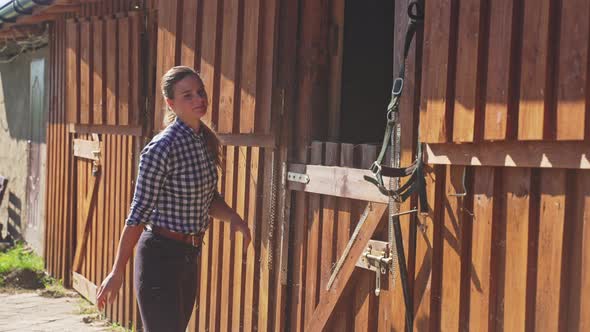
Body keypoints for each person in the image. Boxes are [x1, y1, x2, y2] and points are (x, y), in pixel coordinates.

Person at [95, 66, 252, 332]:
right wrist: (117, 270)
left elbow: (208, 198)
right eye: (187, 95)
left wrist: (234, 219)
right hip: (160, 257)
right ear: (171, 103)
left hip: (189, 256)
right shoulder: (162, 147)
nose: (198, 99)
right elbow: (138, 212)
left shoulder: (203, 141)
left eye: (200, 92)